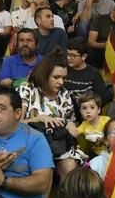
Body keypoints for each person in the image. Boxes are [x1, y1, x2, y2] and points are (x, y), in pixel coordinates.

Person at [18, 48, 80, 181]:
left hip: (58, 146)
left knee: (69, 166)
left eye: (63, 78)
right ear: (45, 74)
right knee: (44, 167)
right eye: (56, 77)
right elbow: (15, 124)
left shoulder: (64, 95)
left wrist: (70, 124)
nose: (61, 82)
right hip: (31, 146)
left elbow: (71, 121)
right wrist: (38, 118)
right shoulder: (27, 89)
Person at [64, 38, 110, 108]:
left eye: (73, 55)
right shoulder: (63, 69)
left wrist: (86, 100)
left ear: (84, 57)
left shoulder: (94, 73)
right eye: (67, 54)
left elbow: (104, 98)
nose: (68, 58)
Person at [74, 91, 110, 158]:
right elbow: (74, 133)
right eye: (84, 108)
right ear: (80, 111)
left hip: (110, 151)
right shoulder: (84, 125)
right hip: (95, 154)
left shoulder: (107, 120)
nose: (88, 111)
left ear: (98, 110)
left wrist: (103, 140)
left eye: (92, 107)